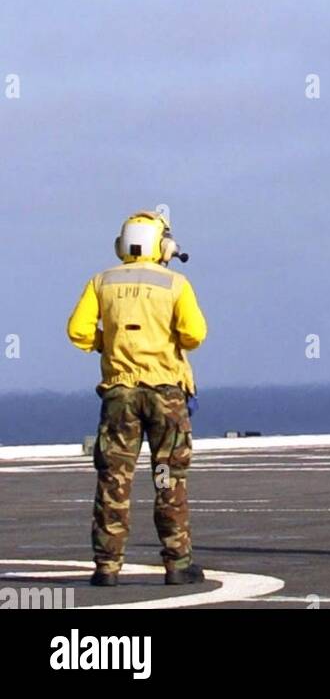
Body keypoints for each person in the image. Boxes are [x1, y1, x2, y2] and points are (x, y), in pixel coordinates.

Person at [67, 210, 207, 587]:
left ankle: (107, 567)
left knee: (114, 479)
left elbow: (78, 332)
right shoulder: (175, 284)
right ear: (161, 244)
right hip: (165, 397)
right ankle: (177, 564)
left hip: (120, 397)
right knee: (167, 478)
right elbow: (194, 335)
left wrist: (107, 344)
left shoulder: (102, 282)